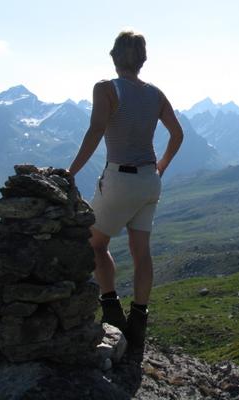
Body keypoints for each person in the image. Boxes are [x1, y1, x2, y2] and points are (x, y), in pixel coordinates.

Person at [68, 30, 183, 350]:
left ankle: (112, 310)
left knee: (96, 243)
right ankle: (139, 320)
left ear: (114, 56)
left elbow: (96, 130)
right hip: (150, 180)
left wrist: (70, 172)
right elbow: (177, 134)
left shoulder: (106, 89)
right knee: (141, 251)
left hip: (120, 178)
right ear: (143, 60)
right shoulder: (156, 94)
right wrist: (161, 166)